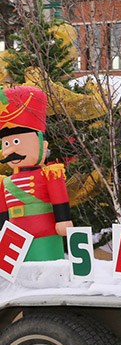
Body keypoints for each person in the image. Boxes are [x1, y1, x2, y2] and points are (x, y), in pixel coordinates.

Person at [0, 86, 73, 261]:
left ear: (43, 146)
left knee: (46, 268)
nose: (11, 150)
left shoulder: (50, 174)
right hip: (15, 238)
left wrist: (63, 220)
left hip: (44, 232)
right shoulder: (4, 182)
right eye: (7, 144)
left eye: (16, 141)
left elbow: (59, 198)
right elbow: (3, 211)